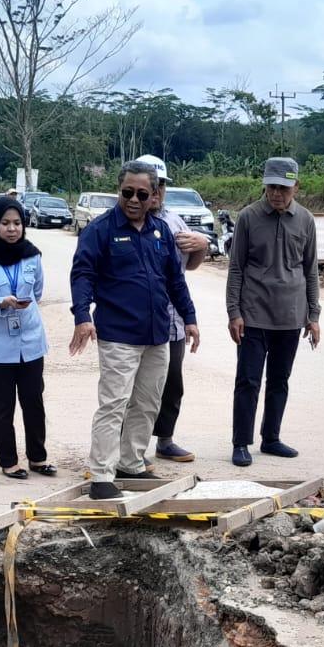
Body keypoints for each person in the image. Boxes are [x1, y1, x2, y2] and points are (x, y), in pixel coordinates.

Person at [69, 160, 198, 501]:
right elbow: (82, 274)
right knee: (114, 404)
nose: (134, 200)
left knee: (147, 403)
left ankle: (131, 462)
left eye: (143, 193)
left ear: (154, 195)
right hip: (118, 335)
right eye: (128, 193)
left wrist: (190, 318)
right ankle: (101, 475)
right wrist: (82, 316)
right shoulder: (100, 230)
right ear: (119, 191)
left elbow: (175, 279)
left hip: (157, 335)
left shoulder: (160, 232)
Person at [226, 157, 320, 467]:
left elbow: (310, 270)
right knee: (248, 380)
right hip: (253, 314)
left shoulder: (305, 220)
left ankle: (271, 438)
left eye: (283, 188)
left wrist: (314, 315)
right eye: (271, 187)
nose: (276, 194)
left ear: (297, 186)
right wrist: (233, 312)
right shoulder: (249, 218)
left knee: (280, 380)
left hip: (290, 317)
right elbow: (236, 267)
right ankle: (241, 443)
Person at [0, 196, 56, 480]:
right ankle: (9, 461)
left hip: (30, 341)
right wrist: (1, 303)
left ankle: (38, 458)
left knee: (34, 401)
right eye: (5, 223)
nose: (12, 229)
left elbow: (38, 292)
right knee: (1, 407)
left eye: (17, 223)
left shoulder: (33, 255)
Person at [129, 153, 209, 465]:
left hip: (172, 320)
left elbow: (187, 269)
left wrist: (201, 247)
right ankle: (131, 448)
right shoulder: (123, 223)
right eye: (153, 185)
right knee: (135, 388)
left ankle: (165, 440)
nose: (157, 191)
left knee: (171, 383)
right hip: (135, 322)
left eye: (161, 185)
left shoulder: (174, 223)